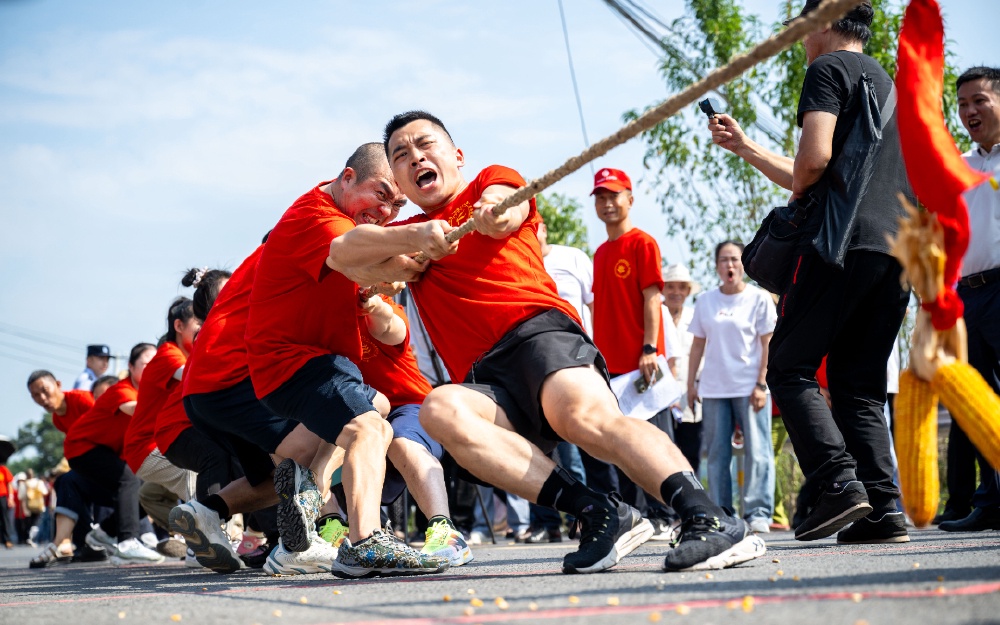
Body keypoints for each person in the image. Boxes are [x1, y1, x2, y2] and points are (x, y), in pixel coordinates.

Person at [369, 110, 765, 573]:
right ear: (397, 178)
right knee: (439, 410)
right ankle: (601, 512)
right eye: (401, 154)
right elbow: (344, 253)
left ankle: (708, 517)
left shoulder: (488, 183)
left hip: (537, 335)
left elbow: (507, 206)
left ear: (456, 156)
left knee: (585, 419)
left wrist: (493, 213)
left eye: (425, 144)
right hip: (484, 378)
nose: (415, 156)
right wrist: (416, 240)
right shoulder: (405, 237)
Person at [708, 0, 912, 544]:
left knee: (790, 368)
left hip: (841, 245)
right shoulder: (889, 85)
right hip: (899, 250)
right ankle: (884, 510)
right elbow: (817, 173)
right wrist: (747, 145)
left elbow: (813, 163)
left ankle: (839, 483)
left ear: (822, 22)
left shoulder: (828, 69)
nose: (799, 39)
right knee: (858, 385)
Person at [245, 142, 454, 578]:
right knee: (371, 428)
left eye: (397, 204)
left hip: (308, 365)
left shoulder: (342, 228)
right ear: (346, 178)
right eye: (381, 194)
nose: (387, 211)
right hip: (292, 360)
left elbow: (381, 278)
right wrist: (418, 235)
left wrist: (401, 267)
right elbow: (351, 247)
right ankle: (364, 542)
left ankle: (308, 490)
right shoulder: (317, 215)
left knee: (374, 407)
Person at [589, 167, 678, 540]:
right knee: (623, 444)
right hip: (611, 367)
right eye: (600, 197)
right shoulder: (600, 253)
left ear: (630, 198)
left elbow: (652, 298)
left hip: (642, 361)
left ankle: (669, 513)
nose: (608, 203)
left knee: (656, 441)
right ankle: (638, 515)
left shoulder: (642, 243)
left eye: (614, 195)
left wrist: (649, 348)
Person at [938, 66, 1000, 533]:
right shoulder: (958, 165)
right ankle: (988, 500)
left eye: (979, 100)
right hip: (967, 297)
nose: (969, 111)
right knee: (975, 402)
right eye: (961, 104)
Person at [687, 241, 777, 534]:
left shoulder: (759, 298)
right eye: (724, 260)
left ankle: (758, 511)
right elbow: (697, 344)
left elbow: (767, 344)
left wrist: (761, 383)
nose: (730, 266)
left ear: (745, 265)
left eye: (736, 260)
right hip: (714, 388)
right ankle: (722, 511)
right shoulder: (706, 301)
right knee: (716, 453)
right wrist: (691, 383)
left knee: (758, 450)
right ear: (716, 266)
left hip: (749, 385)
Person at [62, 343, 166, 565]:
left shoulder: (151, 392)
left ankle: (104, 533)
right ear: (130, 366)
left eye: (156, 364)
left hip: (109, 451)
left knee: (147, 486)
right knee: (128, 478)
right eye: (146, 364)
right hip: (82, 446)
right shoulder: (123, 389)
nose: (152, 369)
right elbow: (134, 409)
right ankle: (127, 543)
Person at [661, 264, 703, 471]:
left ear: (688, 291)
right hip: (659, 399)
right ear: (662, 289)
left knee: (691, 454)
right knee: (661, 454)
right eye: (670, 287)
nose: (676, 292)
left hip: (690, 398)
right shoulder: (653, 316)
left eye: (681, 287)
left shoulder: (696, 317)